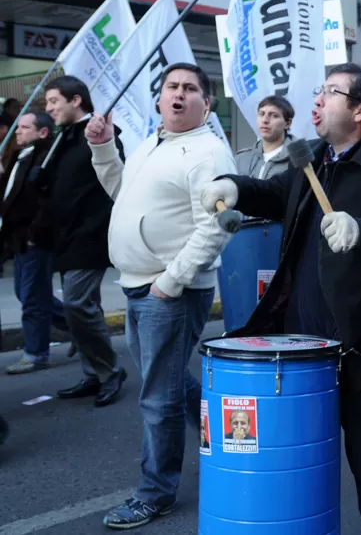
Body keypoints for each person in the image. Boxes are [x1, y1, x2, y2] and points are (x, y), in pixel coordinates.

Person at [200, 62, 361, 535]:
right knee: (294, 458)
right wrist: (236, 187)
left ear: (360, 110)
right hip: (296, 344)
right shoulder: (313, 157)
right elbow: (275, 194)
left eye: (330, 93)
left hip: (356, 342)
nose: (317, 101)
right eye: (320, 90)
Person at [85, 62, 234, 529]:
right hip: (136, 283)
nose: (179, 94)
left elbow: (216, 227)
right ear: (158, 99)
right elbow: (120, 191)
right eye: (172, 87)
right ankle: (224, 444)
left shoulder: (208, 152)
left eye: (190, 89)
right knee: (165, 383)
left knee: (157, 397)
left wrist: (173, 280)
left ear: (205, 105)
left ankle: (156, 492)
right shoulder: (152, 143)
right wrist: (102, 146)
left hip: (167, 292)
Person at [6, 77, 125, 398]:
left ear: (75, 101)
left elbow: (114, 182)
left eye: (54, 102)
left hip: (90, 238)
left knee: (77, 303)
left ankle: (111, 371)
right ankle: (94, 373)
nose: (49, 109)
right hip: (63, 238)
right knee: (86, 306)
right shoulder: (62, 140)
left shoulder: (98, 136)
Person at [0, 111, 73, 378]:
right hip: (19, 239)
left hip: (35, 240)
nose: (17, 131)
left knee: (32, 297)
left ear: (42, 132)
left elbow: (46, 201)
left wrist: (34, 232)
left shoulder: (45, 158)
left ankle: (36, 353)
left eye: (25, 127)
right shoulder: (21, 156)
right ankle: (80, 328)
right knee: (27, 293)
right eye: (17, 127)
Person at [234, 95, 293, 179]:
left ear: (287, 123)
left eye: (274, 115)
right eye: (261, 114)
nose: (265, 120)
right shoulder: (241, 158)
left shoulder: (297, 160)